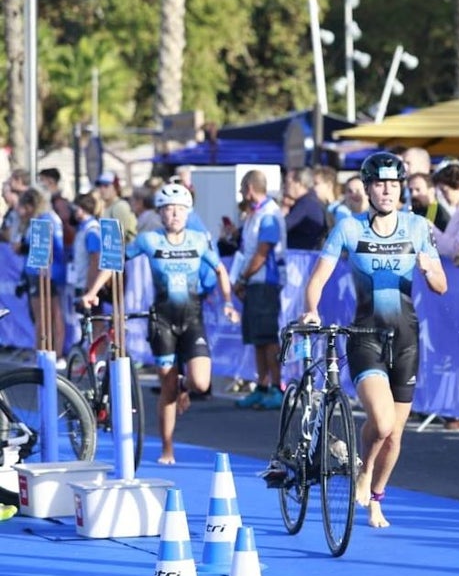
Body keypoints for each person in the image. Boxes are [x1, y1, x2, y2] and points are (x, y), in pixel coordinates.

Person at [300, 152, 447, 529]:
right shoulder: (349, 228)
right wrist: (312, 309)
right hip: (365, 336)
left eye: (393, 184)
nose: (386, 190)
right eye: (379, 184)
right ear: (367, 189)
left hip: (407, 339)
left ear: (401, 189)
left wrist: (431, 270)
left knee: (396, 435)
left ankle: (376, 497)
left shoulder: (416, 227)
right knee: (381, 424)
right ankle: (362, 471)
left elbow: (442, 286)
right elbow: (317, 277)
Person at [80, 184, 238, 465]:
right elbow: (115, 262)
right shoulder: (149, 240)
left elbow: (220, 269)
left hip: (192, 319)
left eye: (180, 209)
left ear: (188, 213)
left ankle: (184, 384)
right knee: (167, 387)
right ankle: (168, 448)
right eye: (168, 209)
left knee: (201, 382)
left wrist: (228, 301)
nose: (174, 214)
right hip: (162, 321)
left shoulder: (200, 239)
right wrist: (93, 292)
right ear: (160, 214)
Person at [232, 169, 287, 410]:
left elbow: (262, 253)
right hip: (255, 283)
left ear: (250, 189)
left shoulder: (269, 214)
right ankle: (262, 386)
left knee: (268, 338)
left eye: (243, 189)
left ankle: (276, 386)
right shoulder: (253, 214)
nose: (242, 194)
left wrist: (243, 279)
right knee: (257, 338)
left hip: (265, 283)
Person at [18, 187, 67, 364]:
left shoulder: (44, 219)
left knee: (46, 315)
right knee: (50, 314)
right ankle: (50, 353)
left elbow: (51, 248)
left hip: (43, 272)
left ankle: (47, 353)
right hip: (45, 271)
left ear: (32, 205)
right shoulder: (47, 218)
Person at [283, 168, 328, 251]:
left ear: (298, 183)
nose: (285, 186)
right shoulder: (311, 200)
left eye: (288, 182)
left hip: (303, 256)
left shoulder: (306, 203)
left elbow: (283, 226)